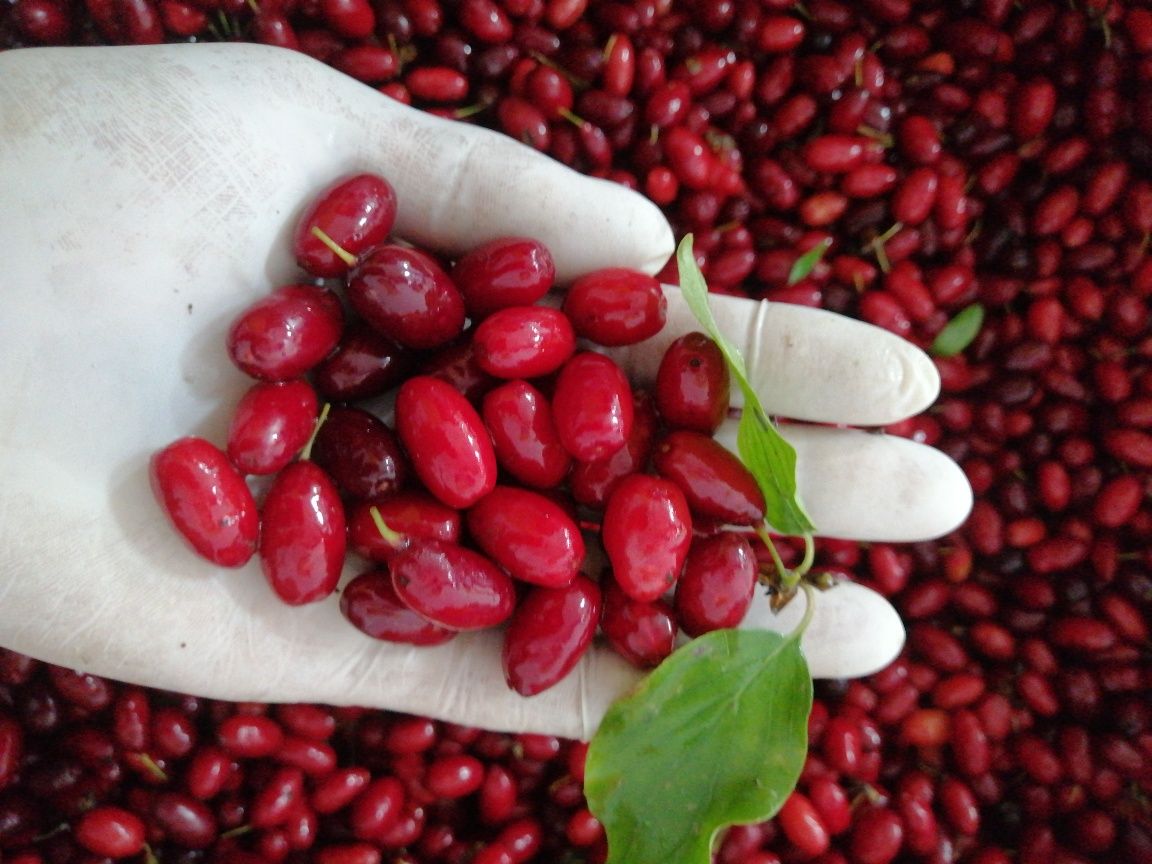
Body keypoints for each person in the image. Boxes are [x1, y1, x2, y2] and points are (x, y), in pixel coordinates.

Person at [0, 43, 972, 741]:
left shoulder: (590, 470)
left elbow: (535, 495)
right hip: (428, 440)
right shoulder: (398, 397)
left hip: (471, 459)